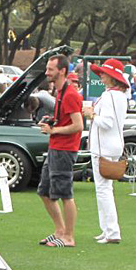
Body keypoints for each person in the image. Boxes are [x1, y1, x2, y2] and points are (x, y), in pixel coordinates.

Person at [36, 53, 83, 247]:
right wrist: (51, 123)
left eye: (50, 69)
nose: (47, 72)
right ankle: (60, 230)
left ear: (62, 71)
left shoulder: (70, 94)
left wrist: (54, 130)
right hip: (55, 147)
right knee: (44, 191)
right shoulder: (60, 92)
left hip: (64, 150)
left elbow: (78, 125)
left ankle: (69, 237)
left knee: (65, 194)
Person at [84, 58, 128, 244]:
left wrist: (92, 114)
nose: (100, 75)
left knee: (103, 189)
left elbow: (106, 123)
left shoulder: (110, 96)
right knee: (105, 189)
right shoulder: (119, 96)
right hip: (114, 145)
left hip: (104, 146)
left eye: (103, 73)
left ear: (112, 77)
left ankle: (111, 231)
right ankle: (107, 230)